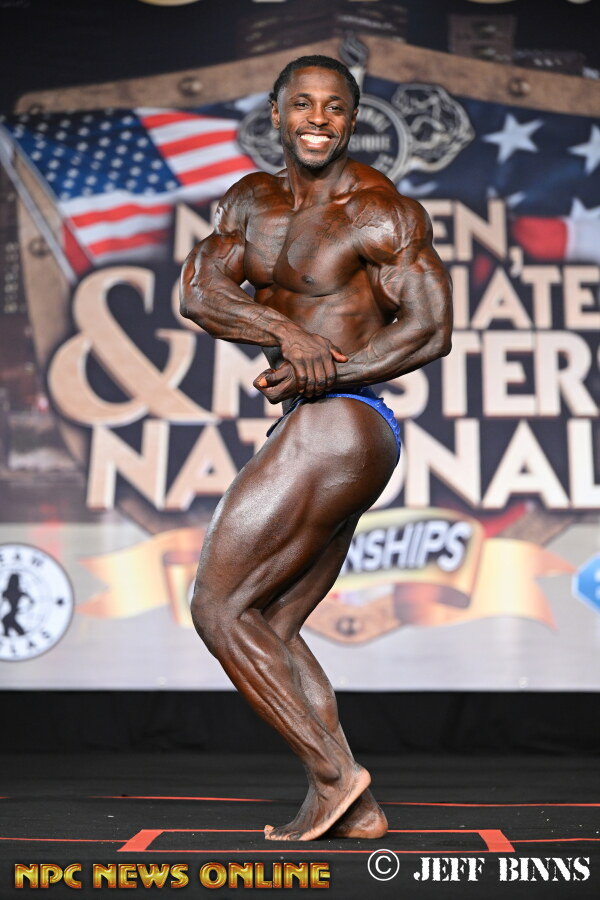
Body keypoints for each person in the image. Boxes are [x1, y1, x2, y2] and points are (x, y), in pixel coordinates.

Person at [180, 55, 452, 842]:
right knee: (267, 620)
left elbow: (431, 327)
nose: (318, 118)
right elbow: (198, 292)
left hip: (346, 420)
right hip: (319, 426)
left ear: (351, 119)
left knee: (217, 605)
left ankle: (335, 774)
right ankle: (353, 809)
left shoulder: (379, 210)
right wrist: (286, 332)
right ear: (276, 114)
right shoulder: (249, 202)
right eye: (303, 103)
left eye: (335, 106)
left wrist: (325, 370)